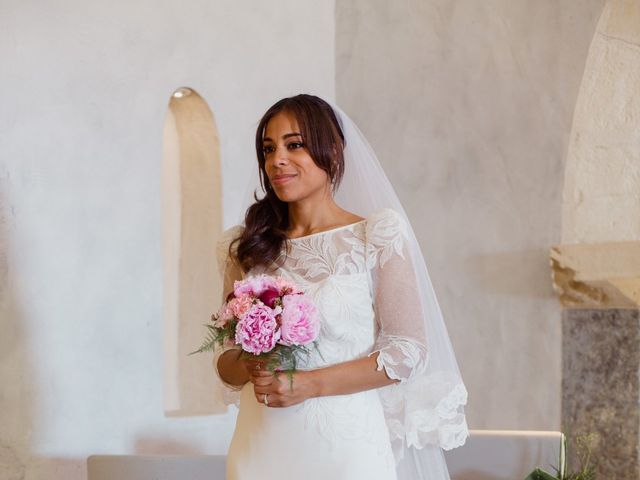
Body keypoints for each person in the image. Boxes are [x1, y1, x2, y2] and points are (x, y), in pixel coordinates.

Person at [213, 94, 468, 480]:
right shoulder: (247, 247)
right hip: (260, 448)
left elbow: (406, 351)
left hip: (345, 451)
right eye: (268, 148)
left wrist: (309, 384)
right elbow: (224, 363)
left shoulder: (375, 235)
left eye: (293, 144)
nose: (277, 159)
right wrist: (249, 364)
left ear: (331, 150)